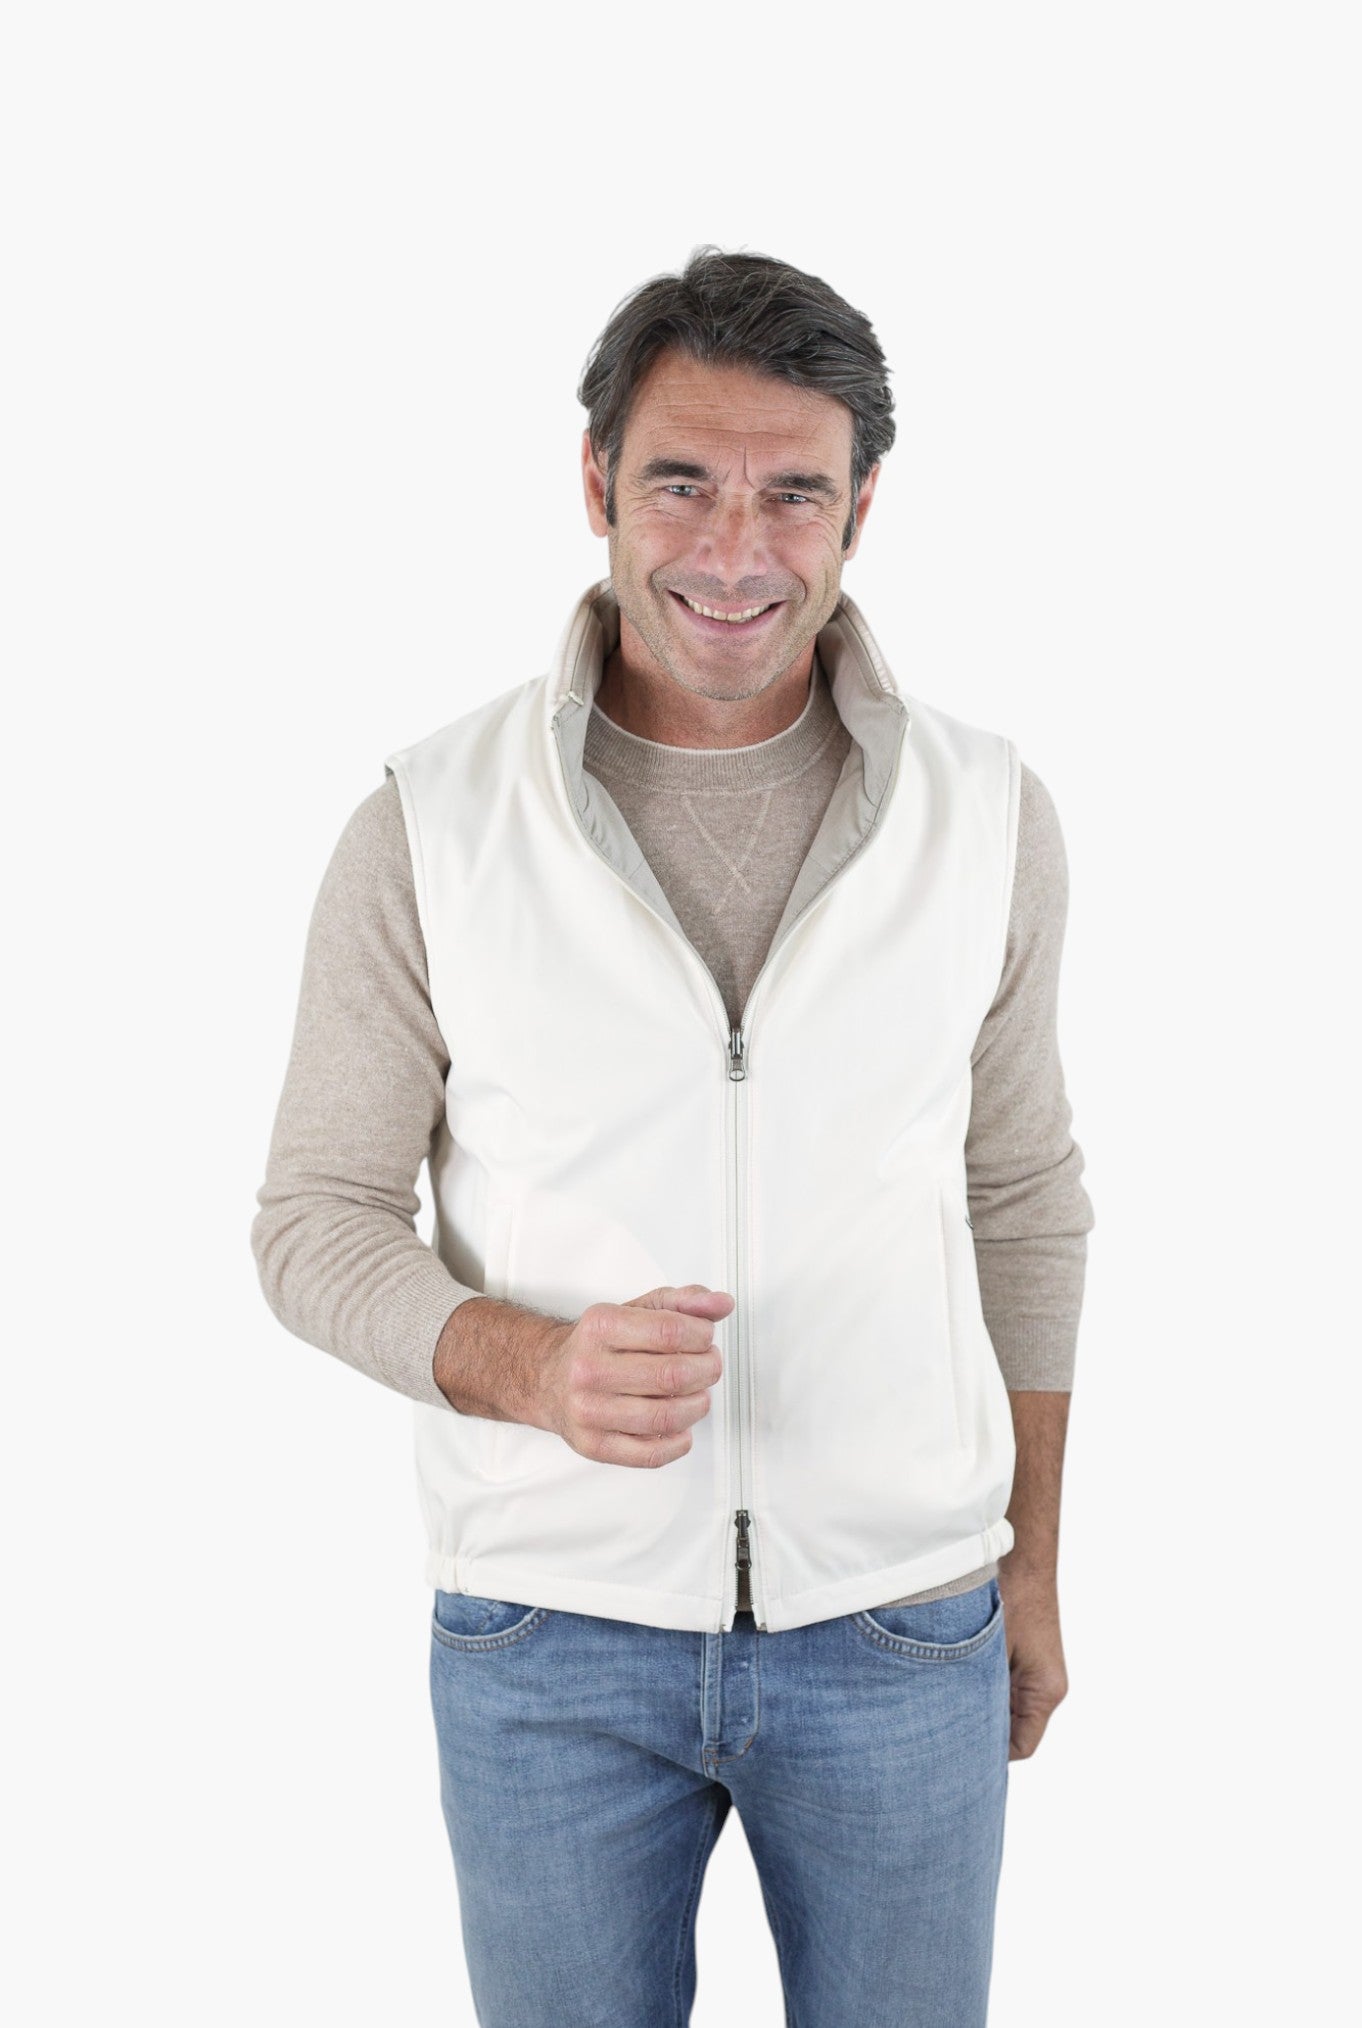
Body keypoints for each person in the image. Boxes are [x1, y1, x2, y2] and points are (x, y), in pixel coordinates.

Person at [252, 246, 1094, 2028]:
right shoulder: (428, 823)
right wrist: (525, 1363)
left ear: (862, 509)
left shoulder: (986, 813)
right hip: (544, 1637)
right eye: (681, 484)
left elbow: (1022, 1198)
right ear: (593, 486)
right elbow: (315, 1217)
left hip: (903, 1627)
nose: (731, 550)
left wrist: (1030, 1564)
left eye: (792, 493)